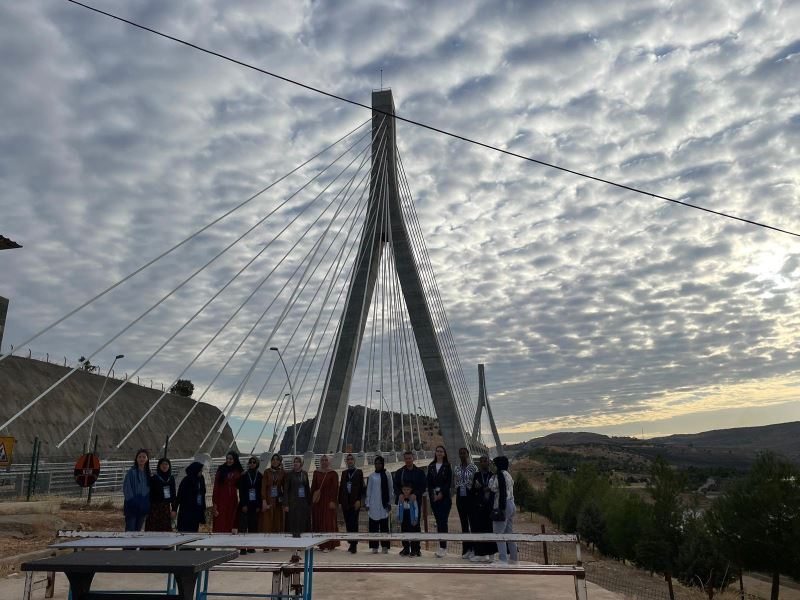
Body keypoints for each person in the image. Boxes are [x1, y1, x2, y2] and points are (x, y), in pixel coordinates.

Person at [394, 450, 425, 557]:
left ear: (413, 458)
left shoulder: (420, 473)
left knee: (415, 524)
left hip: (415, 503)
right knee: (404, 525)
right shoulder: (399, 472)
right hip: (403, 504)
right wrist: (400, 494)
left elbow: (422, 486)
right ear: (404, 459)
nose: (408, 460)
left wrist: (415, 494)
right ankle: (406, 548)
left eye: (409, 458)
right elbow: (396, 486)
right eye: (406, 458)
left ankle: (416, 549)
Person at [489, 456, 518, 564]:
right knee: (509, 533)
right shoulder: (508, 474)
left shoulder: (499, 475)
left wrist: (492, 477)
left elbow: (492, 487)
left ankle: (503, 559)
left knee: (498, 534)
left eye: (494, 464)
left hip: (502, 505)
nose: (493, 466)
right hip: (511, 504)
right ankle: (514, 559)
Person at [427, 445, 453, 558]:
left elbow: (449, 482)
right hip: (434, 498)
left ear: (444, 453)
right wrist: (433, 495)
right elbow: (428, 483)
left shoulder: (447, 466)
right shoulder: (431, 466)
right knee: (438, 522)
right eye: (437, 451)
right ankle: (441, 545)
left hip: (445, 498)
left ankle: (443, 547)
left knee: (443, 521)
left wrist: (442, 493)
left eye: (441, 451)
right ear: (435, 453)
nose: (439, 453)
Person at [469, 455, 497, 563]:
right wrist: (476, 488)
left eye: (485, 461)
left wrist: (487, 489)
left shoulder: (493, 476)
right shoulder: (476, 475)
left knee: (490, 530)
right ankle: (480, 554)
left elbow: (495, 490)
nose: (484, 463)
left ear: (489, 463)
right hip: (479, 507)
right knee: (478, 529)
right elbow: (472, 492)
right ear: (479, 463)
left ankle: (491, 554)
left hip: (490, 507)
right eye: (481, 461)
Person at [311, 454, 340, 552]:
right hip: (319, 501)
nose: (324, 462)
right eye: (322, 460)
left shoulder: (333, 474)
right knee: (319, 520)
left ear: (329, 461)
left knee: (328, 522)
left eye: (326, 460)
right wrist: (312, 501)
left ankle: (328, 544)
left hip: (328, 501)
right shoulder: (316, 473)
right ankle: (320, 544)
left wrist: (333, 501)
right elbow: (313, 487)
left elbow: (335, 489)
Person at [453, 447, 477, 559]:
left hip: (470, 497)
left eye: (464, 453)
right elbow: (455, 483)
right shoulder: (456, 468)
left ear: (468, 454)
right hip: (460, 497)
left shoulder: (473, 467)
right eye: (460, 453)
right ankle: (466, 549)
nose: (462, 455)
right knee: (464, 524)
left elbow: (476, 483)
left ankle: (474, 549)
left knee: (472, 523)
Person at [338, 453, 364, 554]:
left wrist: (360, 500)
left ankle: (354, 545)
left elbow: (362, 487)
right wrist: (340, 501)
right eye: (348, 459)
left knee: (354, 523)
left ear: (354, 461)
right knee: (348, 523)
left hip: (354, 502)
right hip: (345, 502)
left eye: (351, 459)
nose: (349, 461)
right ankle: (350, 543)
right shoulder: (344, 473)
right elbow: (341, 488)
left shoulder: (359, 472)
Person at [365, 455, 392, 554]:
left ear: (382, 464)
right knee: (374, 526)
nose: (377, 465)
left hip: (384, 504)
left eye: (379, 463)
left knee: (384, 526)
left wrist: (389, 502)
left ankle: (385, 546)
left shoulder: (387, 474)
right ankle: (374, 546)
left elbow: (390, 489)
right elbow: (369, 490)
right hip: (373, 503)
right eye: (376, 463)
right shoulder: (372, 476)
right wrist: (367, 503)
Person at [212, 451, 243, 533]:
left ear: (235, 460)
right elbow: (216, 487)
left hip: (232, 498)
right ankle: (219, 540)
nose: (228, 460)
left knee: (231, 519)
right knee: (220, 520)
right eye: (227, 458)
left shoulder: (238, 470)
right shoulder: (221, 469)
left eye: (231, 459)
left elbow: (242, 485)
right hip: (222, 498)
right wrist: (215, 503)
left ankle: (228, 540)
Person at [238, 456, 262, 553]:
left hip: (255, 504)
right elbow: (241, 491)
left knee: (253, 526)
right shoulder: (244, 475)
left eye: (254, 462)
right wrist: (243, 504)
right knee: (243, 527)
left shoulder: (260, 476)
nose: (252, 464)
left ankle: (251, 547)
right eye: (250, 462)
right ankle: (243, 548)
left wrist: (259, 505)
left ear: (257, 464)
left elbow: (261, 492)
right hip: (245, 503)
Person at [145, 457, 177, 532]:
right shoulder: (154, 478)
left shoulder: (171, 478)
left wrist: (174, 509)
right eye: (162, 464)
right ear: (159, 466)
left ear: (169, 466)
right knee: (153, 531)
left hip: (165, 508)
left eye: (166, 464)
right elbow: (150, 495)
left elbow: (173, 494)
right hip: (154, 509)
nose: (164, 466)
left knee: (165, 531)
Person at [122, 449, 150, 531]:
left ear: (147, 459)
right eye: (139, 457)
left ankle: (136, 544)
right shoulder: (131, 472)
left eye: (144, 457)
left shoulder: (148, 474)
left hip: (143, 507)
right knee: (130, 530)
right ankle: (127, 544)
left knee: (138, 531)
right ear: (136, 459)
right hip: (132, 507)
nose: (141, 459)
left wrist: (147, 503)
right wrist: (132, 501)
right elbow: (127, 488)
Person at [284, 456, 311, 536]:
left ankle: (301, 544)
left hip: (303, 503)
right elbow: (286, 490)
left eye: (298, 462)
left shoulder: (305, 473)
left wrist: (309, 503)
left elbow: (307, 489)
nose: (295, 463)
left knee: (302, 523)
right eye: (294, 462)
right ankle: (294, 543)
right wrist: (285, 504)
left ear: (301, 463)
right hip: (292, 503)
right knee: (293, 524)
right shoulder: (289, 474)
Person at [176, 461, 207, 533]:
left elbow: (202, 493)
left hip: (196, 511)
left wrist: (203, 508)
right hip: (186, 511)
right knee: (184, 531)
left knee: (194, 531)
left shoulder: (201, 479)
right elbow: (180, 496)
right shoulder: (186, 480)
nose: (201, 472)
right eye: (200, 470)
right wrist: (175, 508)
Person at [260, 453, 285, 535]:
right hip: (268, 499)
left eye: (277, 459)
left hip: (278, 500)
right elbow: (263, 487)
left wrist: (285, 501)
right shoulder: (267, 472)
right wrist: (264, 500)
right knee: (267, 523)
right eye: (273, 459)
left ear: (280, 461)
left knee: (277, 523)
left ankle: (275, 546)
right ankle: (266, 546)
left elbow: (285, 487)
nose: (275, 461)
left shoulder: (282, 472)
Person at [397, 481, 420, 555]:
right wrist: (398, 517)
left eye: (408, 489)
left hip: (411, 517)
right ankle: (406, 549)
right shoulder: (400, 498)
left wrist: (415, 518)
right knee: (404, 532)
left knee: (412, 533)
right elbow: (398, 508)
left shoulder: (413, 498)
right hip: (403, 517)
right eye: (404, 490)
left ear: (411, 490)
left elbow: (416, 509)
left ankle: (413, 549)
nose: (406, 491)